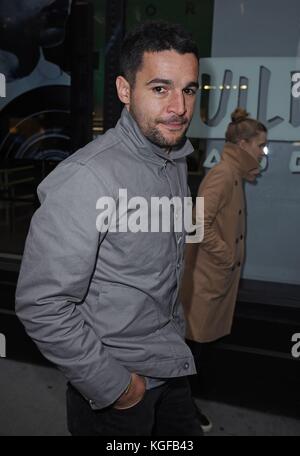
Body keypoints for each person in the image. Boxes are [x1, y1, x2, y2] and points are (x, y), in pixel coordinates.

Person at [15, 21, 203, 436]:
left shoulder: (172, 160)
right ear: (124, 90)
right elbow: (41, 304)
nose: (179, 106)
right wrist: (117, 388)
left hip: (171, 368)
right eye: (160, 88)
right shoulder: (86, 177)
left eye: (188, 89)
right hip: (117, 387)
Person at [181, 108, 267, 398]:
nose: (263, 151)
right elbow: (198, 224)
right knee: (193, 351)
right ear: (243, 145)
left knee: (200, 350)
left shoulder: (233, 174)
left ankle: (187, 406)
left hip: (213, 280)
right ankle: (184, 410)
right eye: (260, 145)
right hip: (206, 282)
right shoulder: (223, 175)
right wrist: (227, 257)